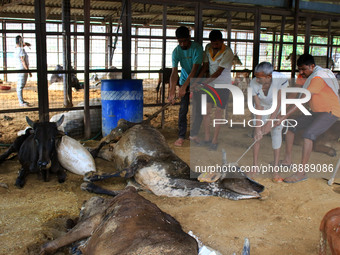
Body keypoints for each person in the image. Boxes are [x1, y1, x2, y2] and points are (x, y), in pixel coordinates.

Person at [278, 53, 340, 183]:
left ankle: (301, 173)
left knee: (308, 135)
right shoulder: (303, 76)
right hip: (316, 111)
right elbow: (294, 94)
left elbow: (301, 100)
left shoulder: (318, 77)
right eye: (299, 69)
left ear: (312, 66)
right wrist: (280, 112)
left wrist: (284, 116)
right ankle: (287, 160)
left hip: (331, 112)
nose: (301, 72)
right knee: (290, 124)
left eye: (304, 69)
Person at [190, 30, 234, 151]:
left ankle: (214, 139)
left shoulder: (228, 52)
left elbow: (218, 72)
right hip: (210, 84)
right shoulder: (208, 47)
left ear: (222, 41)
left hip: (222, 86)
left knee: (218, 112)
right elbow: (205, 67)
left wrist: (203, 83)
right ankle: (207, 138)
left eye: (217, 44)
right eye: (213, 43)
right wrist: (195, 82)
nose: (214, 46)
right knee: (206, 112)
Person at [250, 62, 289, 182]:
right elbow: (258, 106)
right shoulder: (253, 83)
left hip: (277, 107)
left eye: (259, 77)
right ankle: (255, 167)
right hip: (262, 107)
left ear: (268, 77)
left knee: (276, 134)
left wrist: (269, 123)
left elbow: (278, 102)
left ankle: (275, 170)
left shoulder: (281, 79)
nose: (257, 79)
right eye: (256, 76)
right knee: (257, 136)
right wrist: (258, 128)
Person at [168, 26, 203, 147]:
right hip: (183, 80)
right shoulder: (176, 51)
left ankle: (194, 134)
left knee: (198, 109)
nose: (182, 44)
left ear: (189, 38)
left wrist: (184, 88)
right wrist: (172, 91)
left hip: (198, 81)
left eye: (184, 41)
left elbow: (194, 70)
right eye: (180, 41)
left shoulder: (197, 48)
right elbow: (174, 72)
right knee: (183, 109)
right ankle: (181, 136)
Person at [15, 35, 32, 107]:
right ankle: (21, 102)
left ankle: (21, 100)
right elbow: (23, 61)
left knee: (20, 85)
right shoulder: (20, 50)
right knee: (20, 86)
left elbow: (21, 46)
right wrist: (28, 71)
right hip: (22, 69)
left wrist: (25, 44)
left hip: (20, 69)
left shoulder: (17, 49)